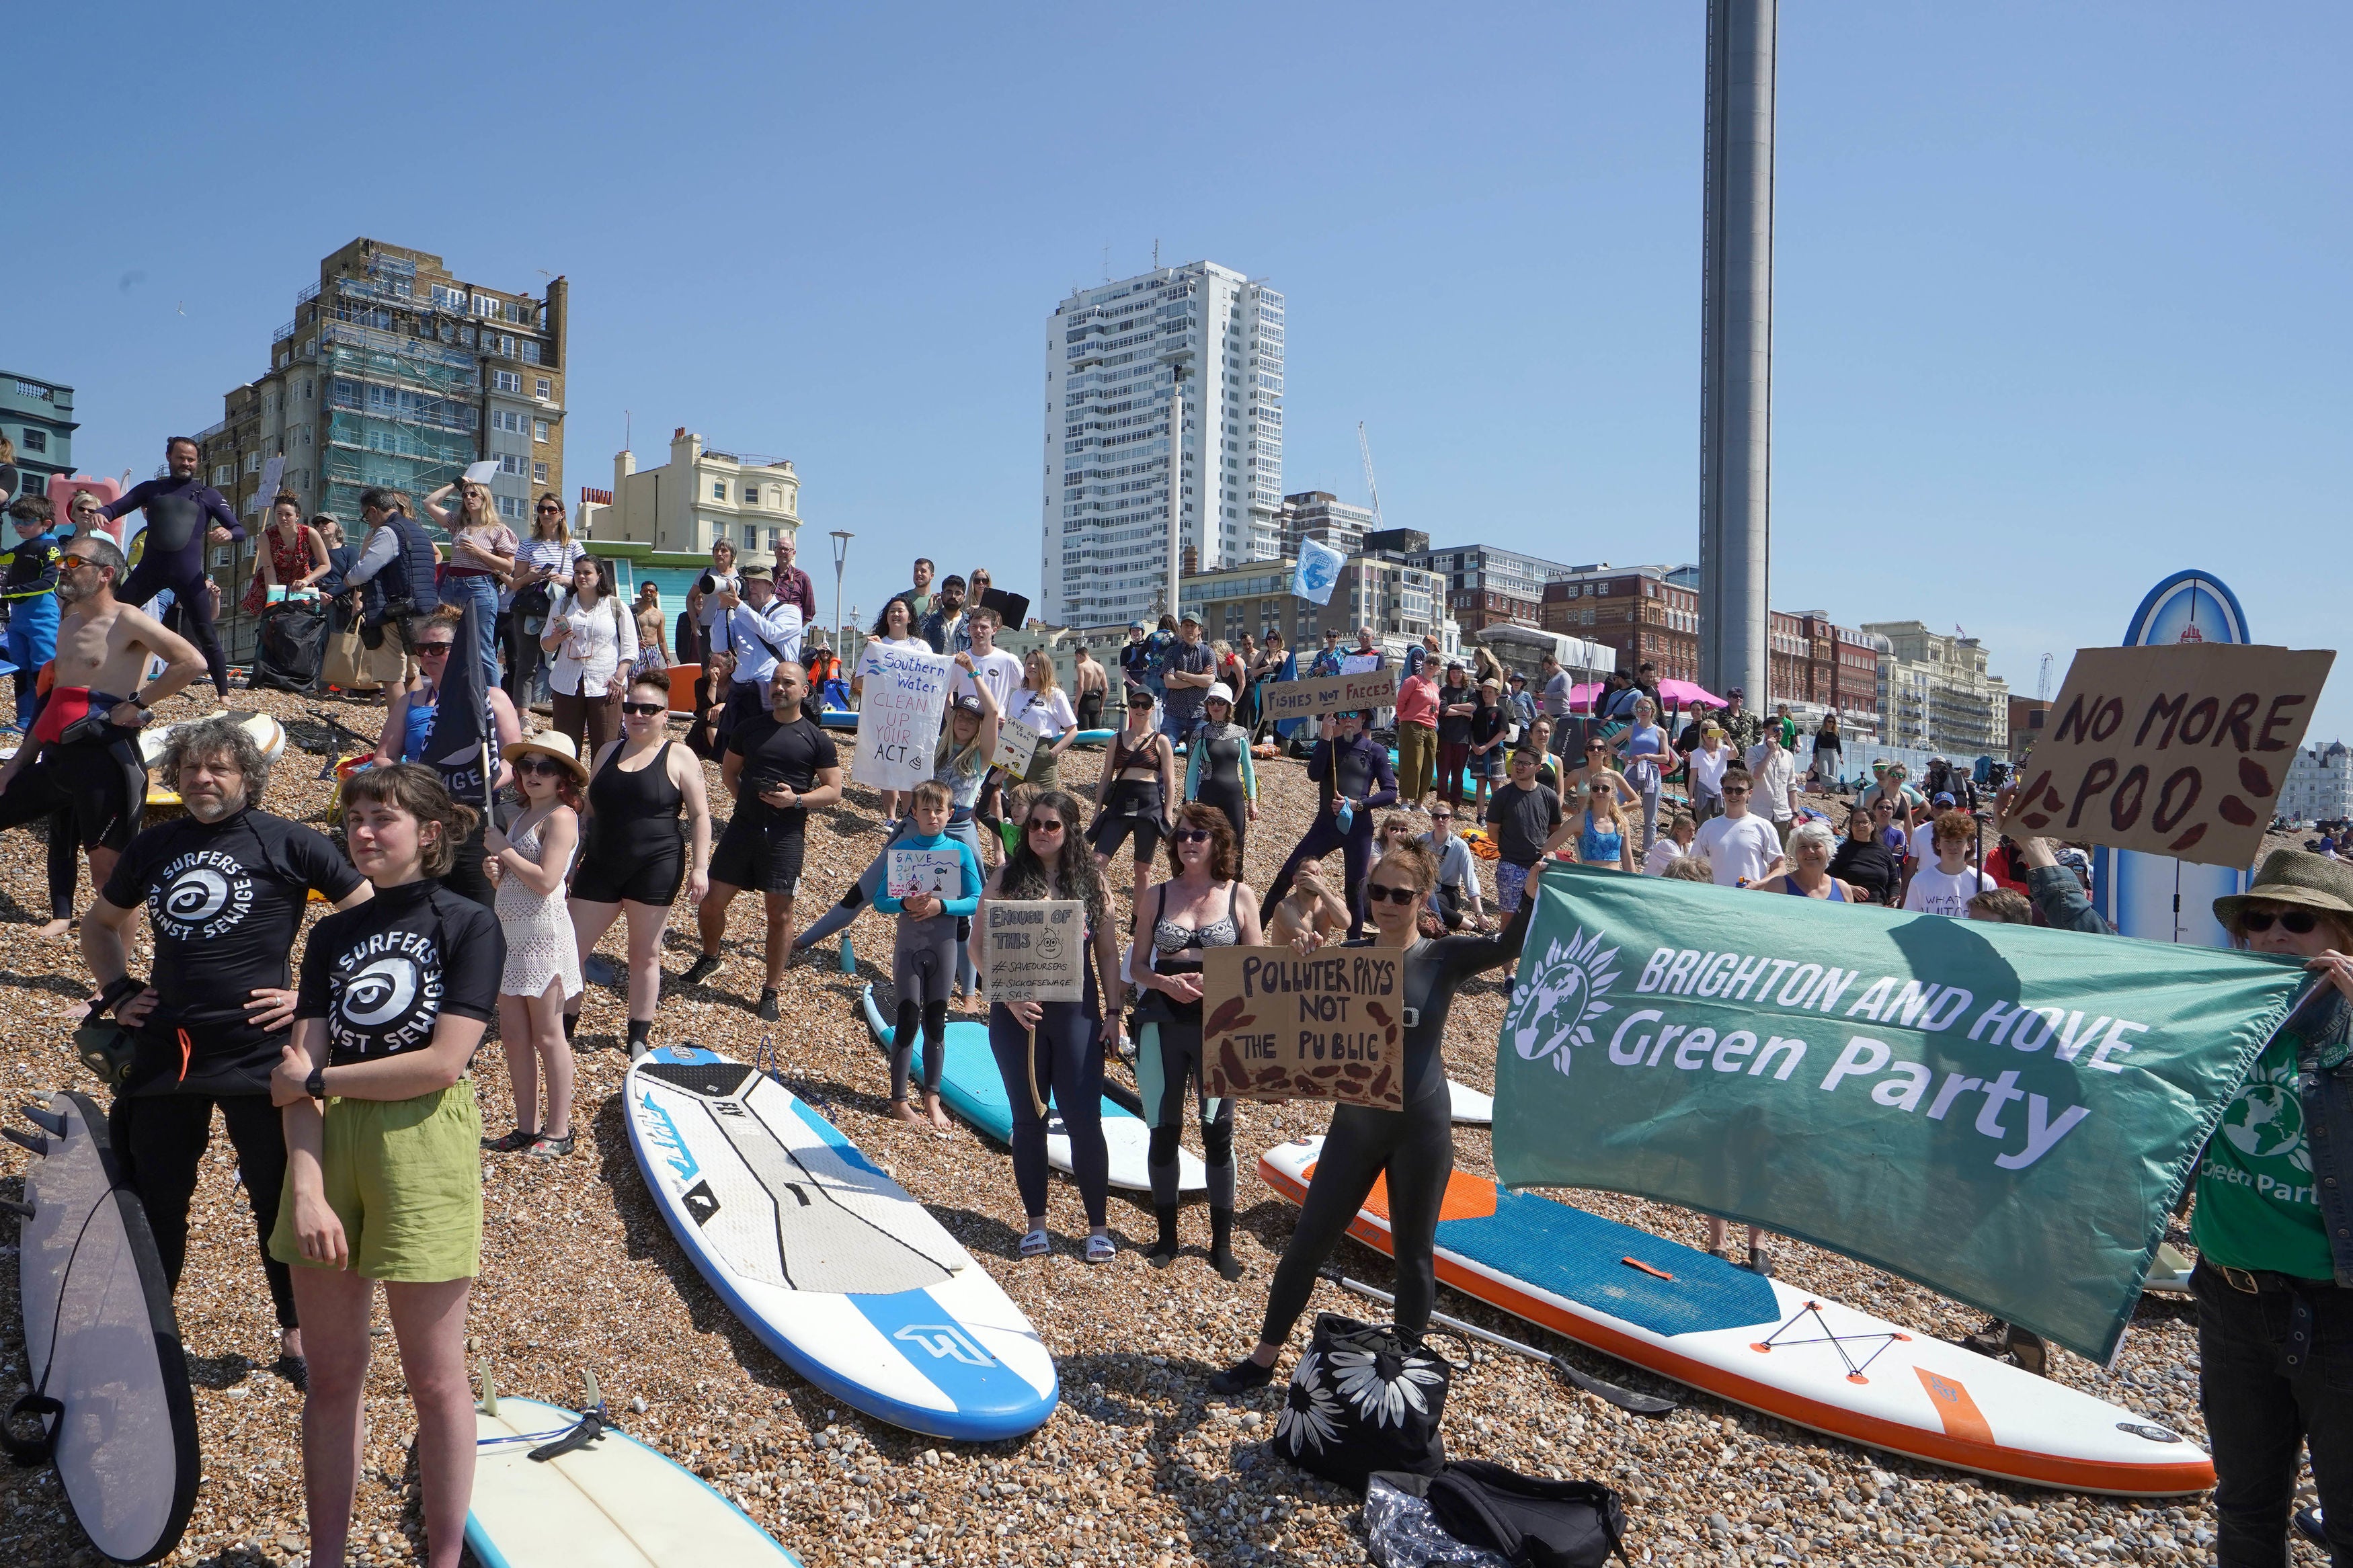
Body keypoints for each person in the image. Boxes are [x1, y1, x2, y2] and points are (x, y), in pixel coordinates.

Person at [81, 717, 369, 1390]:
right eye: (189, 770)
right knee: (156, 1193)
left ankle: (297, 1330)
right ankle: (152, 1326)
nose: (202, 779)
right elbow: (100, 925)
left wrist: (310, 997)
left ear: (248, 778)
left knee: (278, 1193)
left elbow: (373, 915)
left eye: (218, 769)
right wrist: (120, 989)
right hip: (169, 1049)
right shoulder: (155, 845)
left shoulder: (289, 841)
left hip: (259, 1050)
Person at [269, 764, 502, 1568]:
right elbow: (289, 1073)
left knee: (435, 1380)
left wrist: (321, 1082)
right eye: (355, 817)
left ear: (428, 832)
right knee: (332, 1376)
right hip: (329, 1147)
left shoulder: (468, 923)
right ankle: (324, 1557)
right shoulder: (331, 933)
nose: (363, 831)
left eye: (384, 818)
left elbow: (442, 1062)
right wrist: (304, 1184)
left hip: (424, 1140)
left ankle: (442, 1559)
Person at [1207, 845, 1548, 1394]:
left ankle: (1402, 1379)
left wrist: (1529, 890)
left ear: (1422, 898)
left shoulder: (1445, 957)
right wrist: (1299, 963)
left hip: (1421, 1128)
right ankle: (1264, 1357)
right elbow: (1287, 1029)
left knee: (1413, 1256)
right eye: (1377, 891)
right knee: (1308, 1243)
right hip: (1357, 1127)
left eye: (1401, 894)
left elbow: (1510, 944)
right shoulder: (1347, 956)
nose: (1387, 903)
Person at [970, 789, 1123, 1262]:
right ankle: (1036, 1223)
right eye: (1034, 824)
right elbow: (977, 946)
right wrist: (1007, 994)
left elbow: (1107, 951)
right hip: (1017, 1015)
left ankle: (1097, 1226)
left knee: (1084, 1120)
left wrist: (1115, 1013)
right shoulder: (1006, 877)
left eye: (1051, 825)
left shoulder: (1092, 882)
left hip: (1076, 1013)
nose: (1040, 832)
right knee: (1028, 1120)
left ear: (1070, 830)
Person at [0, 532, 204, 889]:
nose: (64, 568)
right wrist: (16, 765)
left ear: (107, 573)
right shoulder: (70, 625)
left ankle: (114, 943)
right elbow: (52, 706)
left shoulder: (129, 620)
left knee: (110, 877)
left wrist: (138, 703)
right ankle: (66, 919)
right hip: (58, 758)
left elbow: (191, 662)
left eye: (75, 562)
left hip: (105, 759)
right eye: (62, 561)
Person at [793, 669, 998, 997]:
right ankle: (803, 940)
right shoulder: (933, 745)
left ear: (979, 726)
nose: (964, 722)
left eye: (973, 720)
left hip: (958, 831)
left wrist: (972, 673)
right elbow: (919, 705)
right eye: (960, 715)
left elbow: (995, 714)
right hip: (917, 829)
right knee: (864, 890)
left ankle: (970, 992)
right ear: (953, 717)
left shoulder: (981, 756)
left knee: (964, 914)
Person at [1131, 802, 1263, 1276]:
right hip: (1162, 1021)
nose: (1189, 841)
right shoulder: (1156, 896)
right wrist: (1167, 984)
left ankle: (1221, 1243)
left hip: (1220, 1024)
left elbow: (1259, 968)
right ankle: (1167, 1236)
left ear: (1217, 843)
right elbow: (1137, 965)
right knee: (1163, 1131)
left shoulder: (1239, 896)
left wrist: (1220, 982)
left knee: (1218, 1132)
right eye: (1183, 834)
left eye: (1199, 835)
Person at [567, 675, 713, 1057]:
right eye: (631, 707)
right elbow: (590, 814)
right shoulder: (606, 752)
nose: (637, 715)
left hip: (655, 866)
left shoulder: (679, 755)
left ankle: (638, 1035)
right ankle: (564, 1026)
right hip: (600, 863)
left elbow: (700, 816)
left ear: (665, 714)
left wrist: (701, 868)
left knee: (644, 954)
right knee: (570, 948)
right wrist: (571, 858)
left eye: (648, 709)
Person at [689, 661, 842, 1020]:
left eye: (788, 682)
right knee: (711, 902)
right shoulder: (749, 728)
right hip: (743, 829)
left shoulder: (816, 738)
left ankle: (770, 989)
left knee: (779, 914)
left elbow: (834, 791)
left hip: (786, 836)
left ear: (805, 691)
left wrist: (797, 801)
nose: (779, 687)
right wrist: (747, 802)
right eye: (775, 681)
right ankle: (711, 956)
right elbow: (729, 773)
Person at [480, 732, 585, 1158]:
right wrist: (497, 870)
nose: (534, 775)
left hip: (543, 937)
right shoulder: (519, 816)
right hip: (512, 935)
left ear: (562, 777)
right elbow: (518, 880)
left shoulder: (562, 817)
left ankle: (559, 1131)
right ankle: (526, 1126)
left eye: (545, 767)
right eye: (527, 766)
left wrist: (504, 851)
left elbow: (546, 882)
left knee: (548, 1034)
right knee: (514, 1036)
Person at [98, 438, 242, 700]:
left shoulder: (208, 495)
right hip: (150, 570)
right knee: (112, 618)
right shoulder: (152, 489)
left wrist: (229, 533)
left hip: (188, 574)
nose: (186, 463)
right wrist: (103, 512)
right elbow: (118, 506)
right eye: (181, 458)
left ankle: (224, 694)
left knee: (205, 631)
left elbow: (240, 529)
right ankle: (97, 674)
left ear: (198, 462)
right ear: (169, 457)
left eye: (191, 459)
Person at [875, 778, 984, 1129]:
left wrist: (943, 906)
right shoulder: (903, 850)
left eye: (939, 810)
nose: (933, 816)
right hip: (909, 947)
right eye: (926, 810)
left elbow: (977, 899)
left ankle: (932, 1097)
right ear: (914, 813)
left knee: (937, 1022)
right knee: (907, 1018)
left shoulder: (959, 851)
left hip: (944, 947)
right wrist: (904, 902)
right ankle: (899, 1100)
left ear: (950, 813)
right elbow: (880, 901)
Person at [1261, 710, 1398, 940]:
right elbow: (1314, 774)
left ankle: (1353, 946)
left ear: (1363, 718)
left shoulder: (1374, 750)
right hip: (1325, 825)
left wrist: (1358, 805)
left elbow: (1391, 793)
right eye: (1342, 714)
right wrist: (1325, 736)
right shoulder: (1328, 745)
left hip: (1358, 828)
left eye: (1353, 714)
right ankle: (1252, 937)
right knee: (1285, 877)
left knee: (1353, 889)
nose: (1347, 720)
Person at [541, 554, 639, 764]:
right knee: (564, 746)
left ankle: (600, 792)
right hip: (566, 683)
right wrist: (556, 638)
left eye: (587, 572)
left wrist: (619, 678)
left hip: (606, 685)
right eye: (577, 572)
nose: (581, 577)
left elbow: (630, 649)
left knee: (606, 744)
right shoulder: (562, 605)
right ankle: (567, 791)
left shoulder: (617, 606)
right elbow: (546, 644)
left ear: (599, 576)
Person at [420, 479, 516, 685]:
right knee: (446, 640)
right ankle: (450, 691)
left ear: (484, 499)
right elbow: (429, 503)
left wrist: (478, 551)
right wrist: (457, 484)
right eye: (465, 495)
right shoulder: (459, 524)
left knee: (482, 646)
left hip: (479, 586)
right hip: (451, 585)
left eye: (474, 495)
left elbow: (509, 566)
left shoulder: (497, 529)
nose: (468, 498)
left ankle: (493, 699)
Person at [1090, 687, 1176, 895]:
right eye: (1135, 704)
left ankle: (1138, 924)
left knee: (1142, 870)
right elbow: (1105, 777)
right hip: (1120, 805)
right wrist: (1096, 812)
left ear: (1152, 708)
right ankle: (1100, 912)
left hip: (1150, 808)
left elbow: (1171, 780)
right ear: (1129, 706)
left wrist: (1168, 814)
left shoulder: (1161, 741)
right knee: (1096, 862)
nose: (1140, 709)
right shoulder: (1116, 740)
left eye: (1145, 705)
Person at [713, 565, 803, 755]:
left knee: (769, 749)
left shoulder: (789, 612)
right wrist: (722, 608)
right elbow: (719, 646)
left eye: (756, 582)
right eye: (747, 582)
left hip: (771, 690)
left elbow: (771, 633)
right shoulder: (740, 614)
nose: (750, 587)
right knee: (734, 750)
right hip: (741, 690)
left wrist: (739, 606)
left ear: (771, 586)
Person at [503, 495, 585, 703]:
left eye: (551, 509)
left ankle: (563, 705)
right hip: (533, 609)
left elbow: (585, 577)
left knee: (567, 656)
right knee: (527, 662)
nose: (546, 514)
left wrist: (565, 579)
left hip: (561, 608)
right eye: (541, 509)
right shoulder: (527, 545)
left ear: (562, 514)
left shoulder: (573, 546)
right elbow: (515, 583)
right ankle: (523, 713)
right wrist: (531, 577)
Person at [853, 595, 926, 825]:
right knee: (888, 765)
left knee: (906, 767)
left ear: (909, 617)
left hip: (911, 716)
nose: (896, 614)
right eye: (892, 611)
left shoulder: (920, 647)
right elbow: (858, 682)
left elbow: (931, 678)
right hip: (884, 717)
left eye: (901, 611)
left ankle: (909, 817)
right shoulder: (877, 645)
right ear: (886, 617)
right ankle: (890, 818)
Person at [3, 498, 65, 728]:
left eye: (25, 521)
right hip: (18, 620)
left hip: (42, 619)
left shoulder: (51, 547)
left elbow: (50, 582)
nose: (19, 526)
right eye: (15, 521)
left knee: (44, 669)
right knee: (21, 668)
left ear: (46, 523)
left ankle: (48, 719)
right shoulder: (24, 546)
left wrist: (8, 591)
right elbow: (4, 557)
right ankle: (25, 720)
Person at [1488, 748, 1570, 915]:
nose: (1519, 767)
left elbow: (1555, 831)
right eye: (1516, 762)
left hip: (1540, 865)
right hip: (1511, 866)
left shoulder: (1549, 796)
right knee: (1509, 920)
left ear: (1538, 768)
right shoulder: (1502, 796)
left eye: (1526, 763)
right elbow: (1492, 834)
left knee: (1539, 917)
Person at [1182, 682, 1257, 864]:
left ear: (1229, 706)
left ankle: (1235, 887)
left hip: (1235, 796)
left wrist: (1253, 801)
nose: (1216, 706)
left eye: (1221, 702)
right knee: (1207, 842)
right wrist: (1190, 799)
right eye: (1212, 702)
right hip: (1209, 794)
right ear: (1207, 705)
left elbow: (1248, 769)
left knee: (1236, 842)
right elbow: (1192, 769)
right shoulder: (1200, 734)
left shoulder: (1241, 733)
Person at [1691, 768, 1783, 887]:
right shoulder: (1708, 827)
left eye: (1740, 790)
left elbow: (1781, 869)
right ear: (1723, 792)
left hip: (1751, 899)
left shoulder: (1763, 826)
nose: (1733, 795)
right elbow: (1693, 866)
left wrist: (1758, 885)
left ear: (1750, 793)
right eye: (1729, 790)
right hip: (1715, 899)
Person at [240, 494, 329, 617]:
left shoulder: (310, 533)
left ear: (297, 516)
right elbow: (268, 568)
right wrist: (275, 597)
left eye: (288, 515)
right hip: (273, 581)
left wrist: (306, 581)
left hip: (301, 582)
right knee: (274, 621)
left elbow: (325, 565)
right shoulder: (265, 537)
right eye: (279, 514)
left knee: (304, 620)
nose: (283, 518)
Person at [1005, 647, 1078, 792]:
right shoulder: (1017, 695)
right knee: (1016, 798)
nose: (1031, 667)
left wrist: (1054, 752)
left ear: (1045, 668)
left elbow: (1072, 730)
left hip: (1041, 749)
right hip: (1015, 747)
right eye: (1029, 663)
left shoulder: (1055, 695)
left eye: (1037, 664)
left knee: (1042, 801)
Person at [1901, 810, 1995, 917]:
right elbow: (1909, 920)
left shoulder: (1986, 882)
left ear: (1969, 845)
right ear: (1938, 844)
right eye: (1947, 841)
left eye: (1959, 841)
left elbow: (1993, 926)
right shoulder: (1919, 882)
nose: (1953, 847)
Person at [1613, 694, 1673, 854]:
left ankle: (1648, 850)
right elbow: (1608, 743)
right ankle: (1615, 839)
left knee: (1650, 814)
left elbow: (1666, 757)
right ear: (1637, 712)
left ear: (1652, 711)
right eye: (1640, 709)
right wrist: (1622, 755)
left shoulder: (1660, 732)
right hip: (1633, 771)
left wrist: (1646, 756)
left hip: (1651, 773)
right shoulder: (1631, 729)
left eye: (1646, 708)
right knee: (1616, 803)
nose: (1643, 712)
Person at [1750, 819, 1858, 902]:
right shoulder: (1779, 886)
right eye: (1803, 846)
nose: (1810, 851)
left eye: (1816, 846)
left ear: (1829, 850)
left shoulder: (1842, 888)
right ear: (1794, 853)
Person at [1421, 803, 1486, 930]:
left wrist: (1479, 913)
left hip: (1449, 891)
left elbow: (1470, 880)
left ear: (1452, 820)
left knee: (1429, 902)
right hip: (1427, 888)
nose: (1440, 820)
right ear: (1432, 819)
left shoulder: (1460, 846)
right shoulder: (1422, 841)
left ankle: (1472, 926)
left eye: (1445, 817)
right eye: (1436, 816)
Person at [1264, 859, 1350, 950]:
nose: (1317, 878)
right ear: (1296, 880)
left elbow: (1346, 923)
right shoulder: (1285, 907)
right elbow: (1309, 944)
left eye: (1321, 874)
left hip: (1318, 962)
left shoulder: (1327, 904)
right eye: (1311, 874)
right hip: (1290, 963)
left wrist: (1321, 889)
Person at [1158, 612, 1216, 744]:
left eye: (1192, 625)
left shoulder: (1207, 652)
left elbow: (1209, 681)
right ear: (1181, 629)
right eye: (1185, 625)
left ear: (1200, 630)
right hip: (1174, 712)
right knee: (1164, 751)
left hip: (1199, 713)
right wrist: (1199, 679)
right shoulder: (1172, 652)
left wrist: (1182, 675)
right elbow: (1169, 682)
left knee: (1197, 758)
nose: (1189, 629)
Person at [1829, 802, 1903, 905]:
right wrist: (1847, 888)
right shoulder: (1841, 851)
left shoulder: (1885, 852)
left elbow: (1894, 881)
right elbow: (1828, 880)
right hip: (1849, 906)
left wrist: (1894, 899)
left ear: (1873, 826)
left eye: (1865, 822)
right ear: (1851, 826)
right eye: (1856, 822)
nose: (1861, 826)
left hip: (1880, 907)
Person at [1393, 656, 1440, 810]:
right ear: (1423, 664)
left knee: (1428, 766)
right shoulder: (1413, 681)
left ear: (1438, 668)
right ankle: (1405, 801)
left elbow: (1436, 709)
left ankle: (1419, 803)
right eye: (1429, 662)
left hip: (1431, 728)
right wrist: (1403, 719)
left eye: (1435, 663)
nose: (1431, 665)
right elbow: (1401, 702)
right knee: (1411, 763)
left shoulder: (1435, 687)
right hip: (1412, 724)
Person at [1432, 663, 1477, 811]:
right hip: (1445, 738)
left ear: (1463, 674)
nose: (1455, 675)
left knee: (1458, 775)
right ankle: (1442, 801)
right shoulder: (1444, 690)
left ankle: (1456, 803)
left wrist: (1455, 707)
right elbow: (1443, 710)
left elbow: (1473, 706)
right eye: (1452, 672)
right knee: (1443, 774)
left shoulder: (1469, 691)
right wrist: (1463, 713)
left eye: (1458, 672)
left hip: (1462, 740)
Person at [1744, 724, 1800, 835]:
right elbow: (1756, 774)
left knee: (1780, 852)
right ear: (1766, 731)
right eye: (1775, 729)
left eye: (1782, 730)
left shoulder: (1788, 756)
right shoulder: (1753, 752)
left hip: (1782, 815)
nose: (1779, 732)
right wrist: (1770, 751)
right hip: (1759, 814)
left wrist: (1795, 815)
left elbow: (1791, 787)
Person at [1466, 676, 1507, 825]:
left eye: (1490, 691)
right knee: (1480, 784)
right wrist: (1475, 746)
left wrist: (1486, 747)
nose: (1487, 694)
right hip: (1478, 751)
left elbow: (1503, 733)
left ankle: (1496, 815)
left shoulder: (1500, 711)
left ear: (1497, 694)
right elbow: (1471, 732)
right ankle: (1480, 814)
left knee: (1495, 786)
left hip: (1494, 752)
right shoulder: (1478, 712)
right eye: (1484, 691)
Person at [1574, 782, 1636, 874]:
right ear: (1591, 792)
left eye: (1605, 789)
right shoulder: (1581, 820)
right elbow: (1550, 846)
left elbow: (1627, 859)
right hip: (1589, 881)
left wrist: (1634, 883)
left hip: (1612, 882)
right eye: (1595, 789)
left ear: (1613, 792)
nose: (1600, 792)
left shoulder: (1621, 821)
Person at [920, 573, 969, 655]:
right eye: (949, 592)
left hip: (960, 667)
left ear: (964, 597)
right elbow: (913, 635)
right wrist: (929, 610)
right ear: (942, 595)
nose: (953, 597)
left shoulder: (971, 623)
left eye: (958, 593)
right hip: (934, 666)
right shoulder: (931, 621)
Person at [1644, 809, 1698, 876]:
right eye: (1689, 831)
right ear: (1678, 831)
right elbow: (1681, 869)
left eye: (1693, 831)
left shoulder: (1687, 845)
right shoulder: (1666, 845)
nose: (1692, 834)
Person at [633, 582, 670, 679]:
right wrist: (635, 642)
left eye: (652, 591)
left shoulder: (659, 615)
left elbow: (662, 641)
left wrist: (667, 660)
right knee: (634, 681)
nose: (649, 593)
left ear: (656, 594)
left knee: (652, 680)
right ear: (641, 592)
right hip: (636, 650)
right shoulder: (631, 610)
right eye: (646, 591)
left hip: (653, 651)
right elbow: (622, 634)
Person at [1071, 641, 1109, 731]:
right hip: (1096, 701)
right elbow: (1106, 688)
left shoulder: (1081, 666)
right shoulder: (1100, 667)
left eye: (1077, 659)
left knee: (1083, 731)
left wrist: (1076, 705)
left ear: (1079, 656)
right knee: (1094, 732)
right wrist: (1102, 706)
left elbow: (1081, 687)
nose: (1077, 661)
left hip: (1085, 701)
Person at [1715, 687, 1761, 755]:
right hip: (1727, 756)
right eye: (1735, 696)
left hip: (1746, 758)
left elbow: (1760, 728)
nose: (1739, 698)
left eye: (1741, 697)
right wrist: (1720, 735)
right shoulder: (1718, 714)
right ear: (1729, 699)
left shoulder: (1749, 715)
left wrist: (1752, 742)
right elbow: (1705, 729)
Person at [1119, 620, 1156, 700]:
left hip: (1149, 682)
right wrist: (1135, 685)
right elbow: (1123, 671)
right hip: (1133, 682)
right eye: (1133, 630)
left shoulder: (1151, 647)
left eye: (1138, 630)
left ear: (1142, 632)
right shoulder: (1126, 650)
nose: (1135, 633)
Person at [1811, 712, 1843, 790]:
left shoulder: (1836, 733)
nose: (1831, 723)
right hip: (1822, 752)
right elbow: (1816, 745)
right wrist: (1814, 756)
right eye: (1829, 721)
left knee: (1833, 772)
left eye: (1833, 722)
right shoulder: (1821, 732)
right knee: (1823, 772)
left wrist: (1841, 757)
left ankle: (1833, 789)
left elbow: (1838, 746)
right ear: (1825, 722)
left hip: (1833, 753)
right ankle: (1827, 787)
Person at [900, 556, 936, 624]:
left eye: (923, 571)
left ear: (932, 576)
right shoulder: (901, 598)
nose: (919, 574)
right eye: (916, 571)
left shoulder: (937, 602)